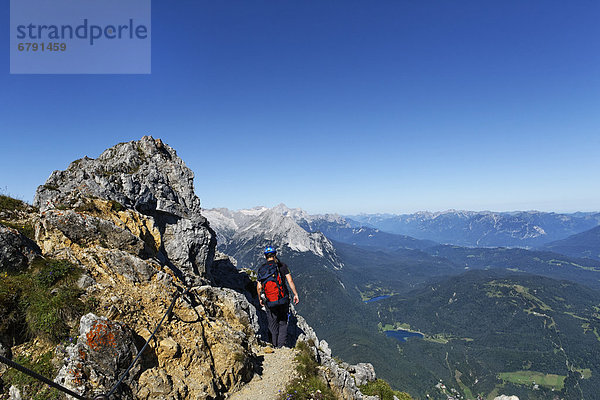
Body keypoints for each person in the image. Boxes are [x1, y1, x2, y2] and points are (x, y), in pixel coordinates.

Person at [256, 246, 300, 348]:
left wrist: (260, 299)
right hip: (283, 299)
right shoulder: (282, 266)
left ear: (265, 257)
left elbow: (259, 287)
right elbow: (290, 281)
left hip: (269, 301)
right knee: (283, 322)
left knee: (272, 323)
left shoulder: (262, 269)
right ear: (275, 255)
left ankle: (274, 345)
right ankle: (281, 346)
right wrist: (295, 294)